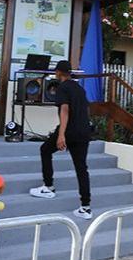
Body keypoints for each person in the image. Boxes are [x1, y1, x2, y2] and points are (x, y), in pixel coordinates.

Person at [30, 61, 93, 219]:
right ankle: (85, 207)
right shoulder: (79, 88)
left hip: (70, 130)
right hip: (84, 131)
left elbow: (64, 110)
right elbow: (86, 109)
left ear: (58, 72)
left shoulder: (63, 87)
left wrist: (61, 135)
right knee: (81, 168)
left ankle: (48, 187)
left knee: (45, 150)